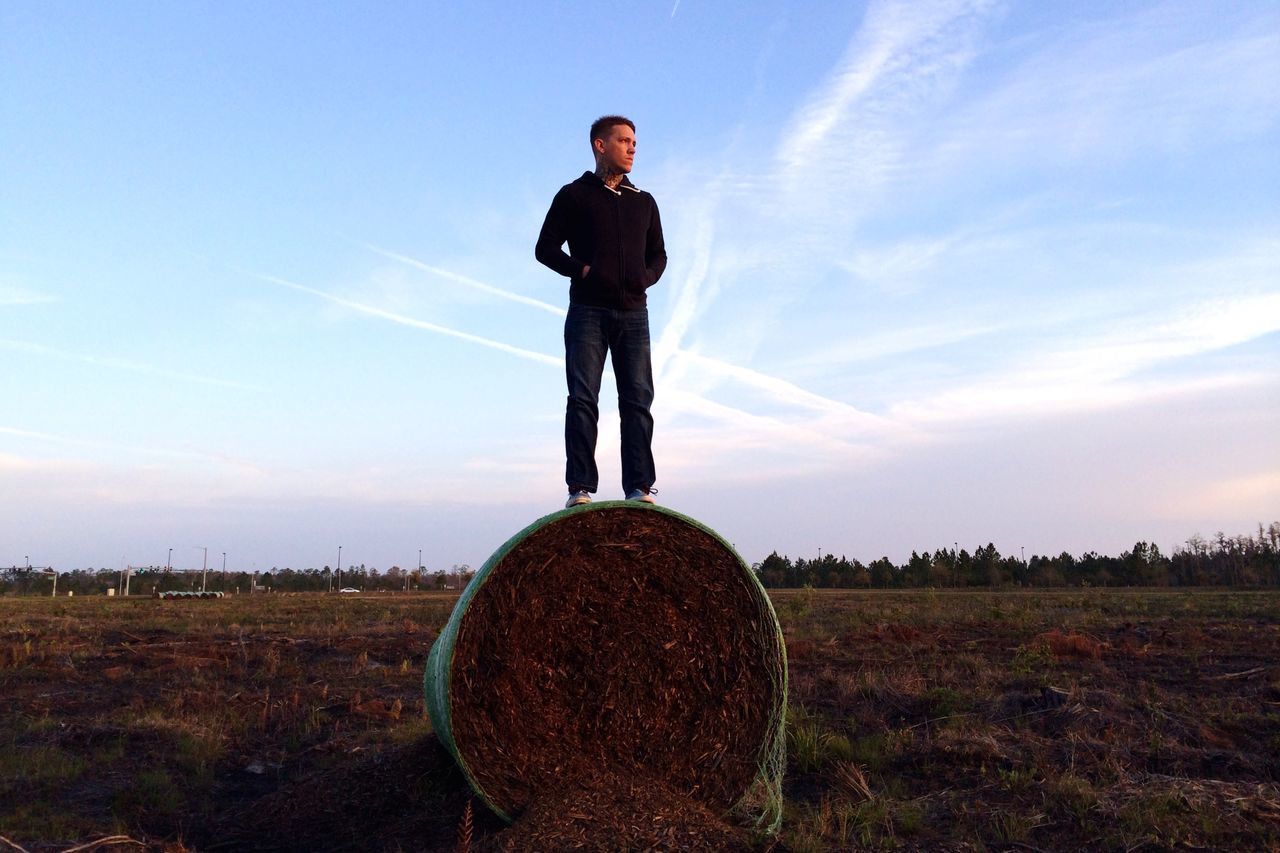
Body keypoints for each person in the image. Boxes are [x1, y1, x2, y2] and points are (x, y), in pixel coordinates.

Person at [536, 115, 667, 508]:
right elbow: (545, 249)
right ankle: (580, 488)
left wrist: (645, 278)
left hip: (634, 315)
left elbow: (659, 255)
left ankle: (639, 489)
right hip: (587, 313)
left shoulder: (644, 201)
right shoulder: (574, 195)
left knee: (637, 401)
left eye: (634, 143)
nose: (632, 148)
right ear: (600, 145)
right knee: (582, 399)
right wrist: (583, 271)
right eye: (624, 141)